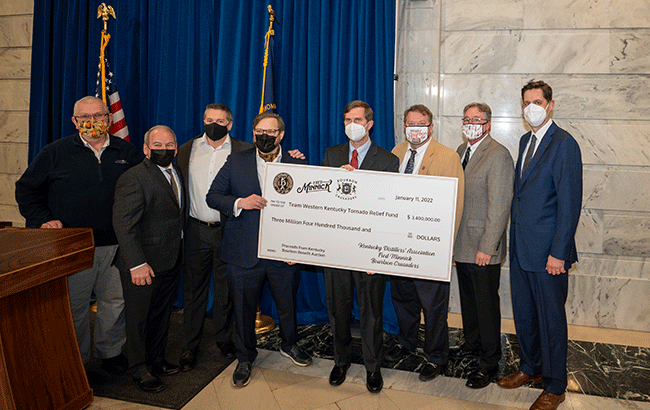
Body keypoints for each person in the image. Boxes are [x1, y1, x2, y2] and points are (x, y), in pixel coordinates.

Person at [15, 96, 142, 375]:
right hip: (73, 247)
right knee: (75, 306)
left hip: (117, 245)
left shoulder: (128, 152)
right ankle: (77, 359)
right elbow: (26, 189)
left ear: (109, 119)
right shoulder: (55, 152)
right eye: (84, 117)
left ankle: (111, 353)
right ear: (74, 121)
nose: (92, 122)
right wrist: (43, 220)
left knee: (114, 301)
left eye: (98, 116)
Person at [206, 111, 312, 388]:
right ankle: (244, 357)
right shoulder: (236, 161)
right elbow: (213, 196)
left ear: (281, 134)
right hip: (243, 252)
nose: (265, 137)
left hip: (283, 254)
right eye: (259, 132)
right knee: (242, 309)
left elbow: (307, 212)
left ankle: (289, 345)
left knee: (287, 304)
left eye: (271, 132)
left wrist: (298, 248)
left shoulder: (297, 164)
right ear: (253, 133)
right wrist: (240, 202)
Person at [497, 81, 582, 410]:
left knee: (550, 319)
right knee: (526, 315)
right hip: (521, 249)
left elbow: (569, 205)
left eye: (537, 101)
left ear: (550, 105)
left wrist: (558, 253)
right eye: (526, 102)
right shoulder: (524, 140)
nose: (530, 107)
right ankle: (530, 368)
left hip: (549, 254)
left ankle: (555, 385)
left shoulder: (564, 144)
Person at [321, 100, 399, 393]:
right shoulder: (332, 154)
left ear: (369, 124)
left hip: (369, 250)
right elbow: (323, 200)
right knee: (337, 309)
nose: (350, 125)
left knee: (371, 311)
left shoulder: (388, 160)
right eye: (346, 120)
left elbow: (388, 207)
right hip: (337, 247)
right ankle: (340, 361)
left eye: (356, 120)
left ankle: (372, 367)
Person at [385, 104, 464, 382]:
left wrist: (444, 249)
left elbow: (455, 206)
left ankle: (435, 355)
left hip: (430, 247)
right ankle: (406, 343)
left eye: (421, 124)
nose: (415, 128)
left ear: (431, 127)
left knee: (432, 306)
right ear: (404, 126)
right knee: (403, 299)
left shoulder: (447, 156)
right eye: (410, 123)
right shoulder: (395, 153)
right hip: (398, 245)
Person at [176, 104, 253, 371]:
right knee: (194, 291)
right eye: (209, 119)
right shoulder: (186, 150)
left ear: (230, 124)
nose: (213, 124)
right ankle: (189, 345)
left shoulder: (244, 150)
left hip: (229, 230)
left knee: (225, 291)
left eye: (220, 120)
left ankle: (223, 339)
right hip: (195, 230)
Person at [112, 125, 186, 392]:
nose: (164, 150)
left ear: (175, 148)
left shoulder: (176, 172)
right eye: (157, 145)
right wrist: (136, 263)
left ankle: (156, 360)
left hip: (169, 260)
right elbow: (124, 224)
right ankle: (138, 368)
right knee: (138, 318)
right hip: (142, 264)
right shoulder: (134, 177)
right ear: (146, 149)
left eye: (169, 145)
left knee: (161, 314)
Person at [452, 102, 514, 389]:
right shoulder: (460, 151)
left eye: (477, 119)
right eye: (467, 119)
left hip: (482, 247)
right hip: (461, 244)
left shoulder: (498, 154)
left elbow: (500, 207)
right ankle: (473, 345)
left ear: (488, 124)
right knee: (469, 300)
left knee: (486, 305)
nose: (471, 123)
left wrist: (488, 248)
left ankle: (489, 361)